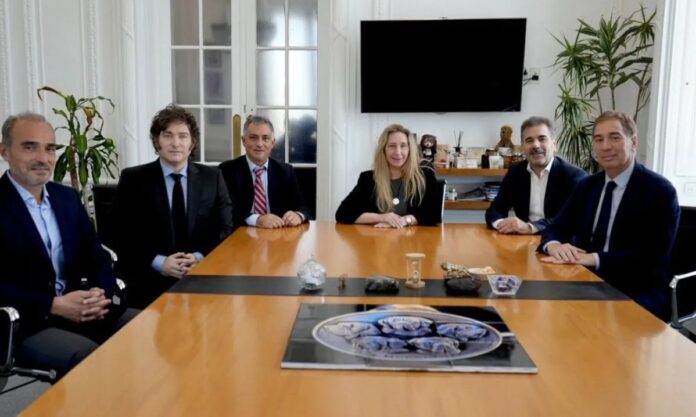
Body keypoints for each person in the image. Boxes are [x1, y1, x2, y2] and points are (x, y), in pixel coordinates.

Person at [0, 112, 137, 378]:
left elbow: (97, 256)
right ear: (4, 151)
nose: (43, 158)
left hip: (82, 309)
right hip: (26, 322)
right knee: (89, 359)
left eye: (50, 148)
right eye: (29, 147)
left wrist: (100, 294)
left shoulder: (66, 198)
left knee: (151, 327)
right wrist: (52, 304)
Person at [540, 111, 680, 320]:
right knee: (539, 309)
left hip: (637, 287)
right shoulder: (587, 186)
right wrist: (554, 246)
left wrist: (594, 259)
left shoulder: (660, 191)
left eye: (614, 137)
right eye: (599, 139)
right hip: (584, 279)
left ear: (633, 142)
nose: (605, 146)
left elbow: (652, 258)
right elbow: (555, 227)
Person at [113, 105, 233, 308]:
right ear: (156, 141)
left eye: (182, 136)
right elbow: (120, 233)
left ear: (192, 142)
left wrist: (199, 257)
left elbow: (225, 227)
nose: (175, 143)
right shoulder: (133, 179)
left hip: (203, 278)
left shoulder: (212, 177)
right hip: (148, 283)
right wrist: (159, 262)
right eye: (167, 135)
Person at [485, 116, 586, 234]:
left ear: (554, 145)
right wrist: (501, 224)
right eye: (529, 140)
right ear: (523, 147)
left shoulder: (573, 176)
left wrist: (530, 227)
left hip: (559, 240)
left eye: (542, 139)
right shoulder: (516, 171)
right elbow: (496, 208)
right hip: (522, 239)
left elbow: (571, 219)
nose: (536, 145)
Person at [335, 124, 441, 227]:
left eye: (403, 146)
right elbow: (343, 213)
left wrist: (405, 220)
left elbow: (434, 214)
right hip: (379, 237)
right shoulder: (368, 179)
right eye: (392, 146)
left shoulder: (425, 175)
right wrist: (382, 217)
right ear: (383, 149)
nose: (398, 152)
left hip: (415, 238)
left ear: (410, 149)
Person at [219, 115, 309, 229]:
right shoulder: (227, 170)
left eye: (265, 138)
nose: (260, 144)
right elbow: (224, 210)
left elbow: (303, 207)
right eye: (253, 138)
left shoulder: (285, 171)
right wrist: (257, 219)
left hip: (278, 234)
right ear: (243, 141)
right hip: (241, 232)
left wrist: (298, 215)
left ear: (273, 143)